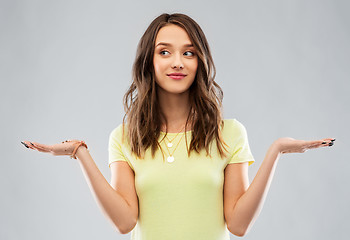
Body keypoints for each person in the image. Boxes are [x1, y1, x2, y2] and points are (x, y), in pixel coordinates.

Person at [21, 13, 335, 240]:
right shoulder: (125, 137)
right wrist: (79, 153)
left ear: (200, 62)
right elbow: (125, 222)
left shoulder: (230, 134)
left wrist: (275, 151)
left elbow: (237, 225)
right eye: (165, 52)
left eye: (189, 52)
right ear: (149, 62)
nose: (177, 62)